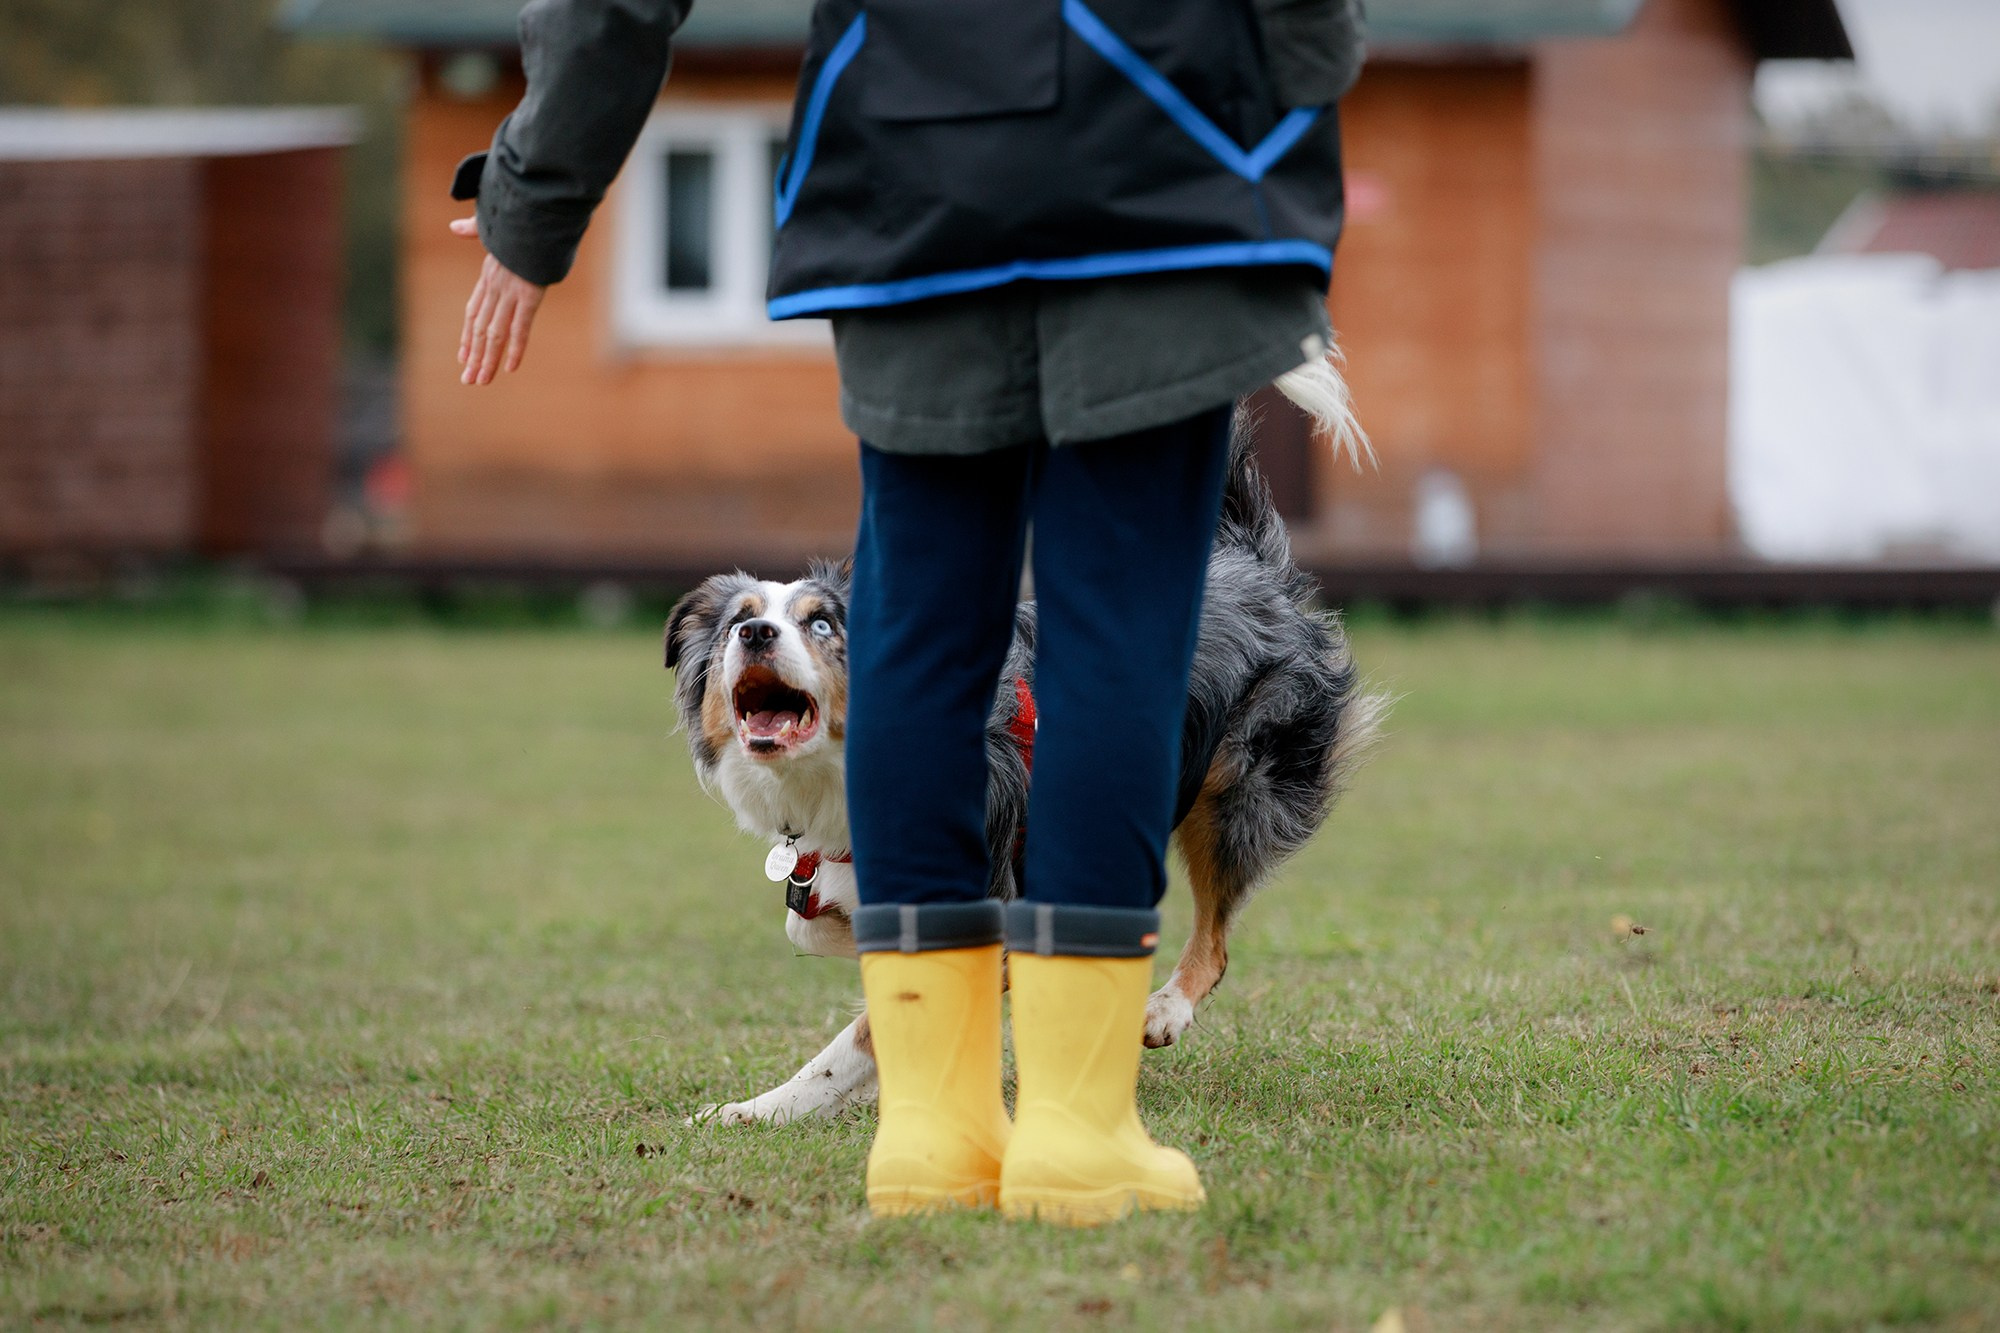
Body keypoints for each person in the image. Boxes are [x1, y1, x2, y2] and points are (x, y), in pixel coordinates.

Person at [454, 0, 1365, 1225]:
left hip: (908, 165)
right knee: (1115, 645)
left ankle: (930, 1135)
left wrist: (532, 190)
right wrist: (1291, 91)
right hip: (1166, 151)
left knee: (920, 642)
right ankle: (1077, 1134)